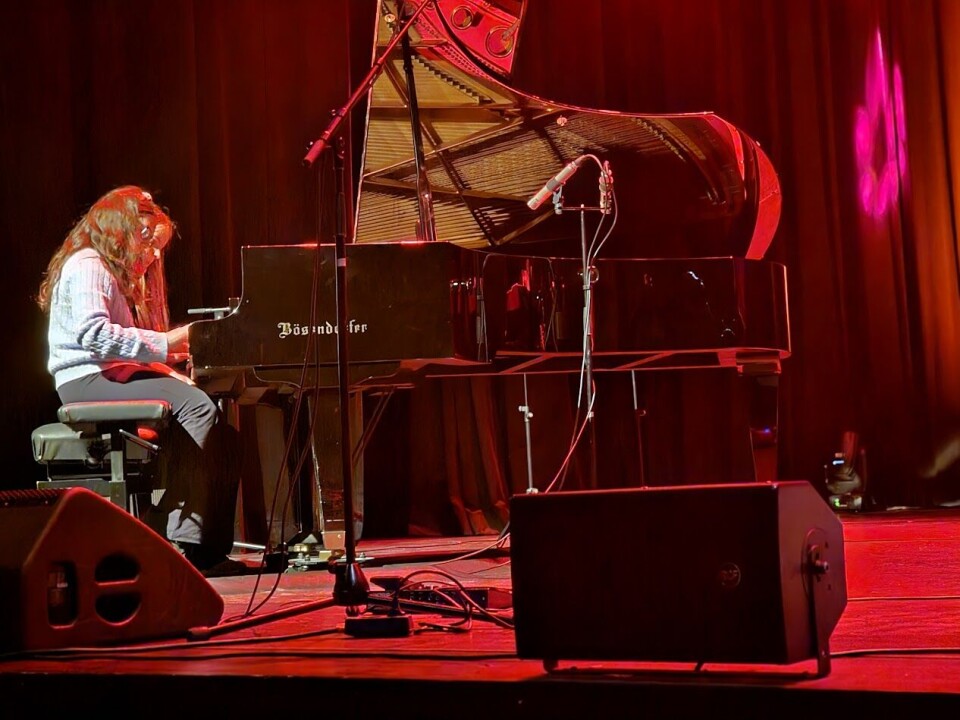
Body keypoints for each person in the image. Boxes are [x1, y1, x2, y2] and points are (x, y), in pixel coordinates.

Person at [37, 185, 242, 576]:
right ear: (118, 231)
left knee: (225, 436)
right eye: (147, 241)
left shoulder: (114, 273)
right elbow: (94, 336)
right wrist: (167, 345)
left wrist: (174, 368)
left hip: (112, 373)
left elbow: (129, 350)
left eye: (158, 247)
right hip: (86, 380)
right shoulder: (88, 265)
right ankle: (180, 540)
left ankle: (211, 551)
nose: (152, 255)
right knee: (196, 408)